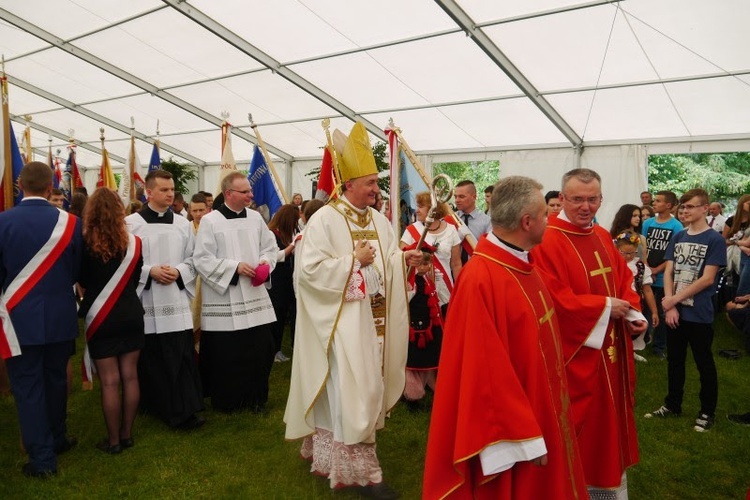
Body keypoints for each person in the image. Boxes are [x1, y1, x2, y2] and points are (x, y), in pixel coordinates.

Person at [423, 176, 587, 499]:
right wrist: (523, 437)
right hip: (516, 428)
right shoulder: (481, 280)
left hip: (544, 405)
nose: (550, 220)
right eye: (545, 215)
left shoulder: (525, 264)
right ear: (527, 222)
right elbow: (483, 374)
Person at [284, 122, 422, 499]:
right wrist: (352, 261)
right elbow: (308, 274)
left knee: (357, 391)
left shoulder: (378, 220)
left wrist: (404, 260)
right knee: (354, 393)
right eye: (370, 184)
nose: (377, 190)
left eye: (377, 183)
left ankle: (330, 457)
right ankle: (365, 475)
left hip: (373, 322)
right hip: (342, 323)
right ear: (348, 186)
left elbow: (388, 259)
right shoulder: (324, 220)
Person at [530, 168, 646, 498]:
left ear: (601, 199)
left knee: (610, 426)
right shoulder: (547, 241)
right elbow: (552, 299)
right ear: (561, 199)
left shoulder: (602, 236)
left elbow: (623, 278)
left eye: (592, 199)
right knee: (584, 429)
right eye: (578, 199)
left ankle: (609, 487)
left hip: (612, 349)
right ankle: (579, 488)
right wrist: (605, 307)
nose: (586, 206)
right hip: (578, 354)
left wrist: (633, 312)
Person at [0, 161, 83, 477]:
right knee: (56, 380)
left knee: (28, 388)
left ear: (20, 185)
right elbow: (76, 272)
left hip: (19, 319)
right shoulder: (71, 223)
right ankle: (57, 438)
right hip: (61, 315)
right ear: (52, 187)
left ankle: (43, 459)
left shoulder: (3, 222)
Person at [193, 171, 278, 413]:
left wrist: (264, 263)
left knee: (260, 351)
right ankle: (229, 402)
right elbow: (202, 259)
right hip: (226, 299)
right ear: (229, 194)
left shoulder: (255, 218)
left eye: (249, 191)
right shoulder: (210, 222)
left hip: (254, 296)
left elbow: (270, 247)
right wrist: (234, 267)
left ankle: (257, 399)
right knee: (229, 354)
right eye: (246, 192)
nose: (251, 195)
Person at [125, 170, 204, 430]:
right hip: (148, 298)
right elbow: (126, 262)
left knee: (180, 354)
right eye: (164, 190)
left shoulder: (182, 224)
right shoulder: (132, 224)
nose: (170, 194)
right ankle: (157, 404)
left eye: (172, 190)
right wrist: (150, 271)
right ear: (148, 192)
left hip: (176, 299)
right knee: (154, 357)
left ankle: (186, 407)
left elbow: (194, 258)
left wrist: (179, 271)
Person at [645, 189, 726, 432]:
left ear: (705, 208)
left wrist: (673, 300)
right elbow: (670, 271)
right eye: (683, 206)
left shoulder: (715, 240)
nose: (685, 210)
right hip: (675, 310)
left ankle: (706, 411)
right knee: (675, 361)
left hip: (698, 313)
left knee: (704, 363)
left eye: (690, 206)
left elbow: (707, 279)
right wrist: (670, 302)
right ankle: (672, 404)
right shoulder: (678, 236)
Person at [79, 188, 144, 454]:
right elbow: (137, 276)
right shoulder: (134, 242)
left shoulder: (85, 244)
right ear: (120, 211)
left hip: (102, 317)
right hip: (130, 313)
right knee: (130, 376)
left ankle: (114, 441)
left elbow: (81, 278)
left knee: (109, 381)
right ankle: (127, 434)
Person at [642, 190, 684, 359]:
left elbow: (674, 253)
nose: (654, 202)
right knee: (645, 309)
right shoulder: (648, 223)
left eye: (658, 201)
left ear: (668, 205)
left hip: (663, 277)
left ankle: (659, 346)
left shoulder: (676, 226)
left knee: (661, 311)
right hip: (647, 275)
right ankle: (643, 340)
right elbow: (643, 247)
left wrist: (657, 270)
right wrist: (646, 269)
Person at [400, 191, 461, 304]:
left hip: (446, 290)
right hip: (420, 291)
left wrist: (460, 290)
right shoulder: (411, 230)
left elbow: (456, 264)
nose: (417, 210)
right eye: (417, 206)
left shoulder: (451, 230)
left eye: (421, 206)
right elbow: (400, 260)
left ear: (434, 209)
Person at [402, 245, 443, 409]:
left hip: (428, 326)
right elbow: (407, 299)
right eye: (424, 264)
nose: (427, 267)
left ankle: (430, 389)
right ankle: (412, 395)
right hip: (417, 329)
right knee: (414, 364)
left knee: (427, 361)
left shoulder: (426, 279)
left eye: (428, 264)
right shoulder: (411, 282)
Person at [615, 230, 659, 362]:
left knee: (634, 328)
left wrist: (654, 311)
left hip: (635, 304)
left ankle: (631, 351)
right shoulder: (612, 263)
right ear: (617, 249)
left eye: (632, 253)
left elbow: (647, 290)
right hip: (618, 302)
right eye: (624, 253)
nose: (628, 256)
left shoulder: (640, 267)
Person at [267, 204, 299, 363]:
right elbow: (276, 257)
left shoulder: (287, 234)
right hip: (276, 282)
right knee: (276, 316)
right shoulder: (272, 234)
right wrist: (293, 245)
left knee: (282, 314)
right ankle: (272, 350)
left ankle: (277, 349)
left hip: (286, 281)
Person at [451, 180, 491, 264]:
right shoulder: (450, 219)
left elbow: (489, 250)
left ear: (474, 197)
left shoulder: (487, 222)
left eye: (461, 197)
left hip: (476, 268)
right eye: (455, 197)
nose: (457, 200)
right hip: (452, 270)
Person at [188, 193, 208, 350]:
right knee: (192, 312)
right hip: (191, 279)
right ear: (190, 210)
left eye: (201, 210)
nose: (198, 214)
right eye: (195, 211)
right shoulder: (185, 228)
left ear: (207, 209)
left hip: (208, 279)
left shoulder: (212, 227)